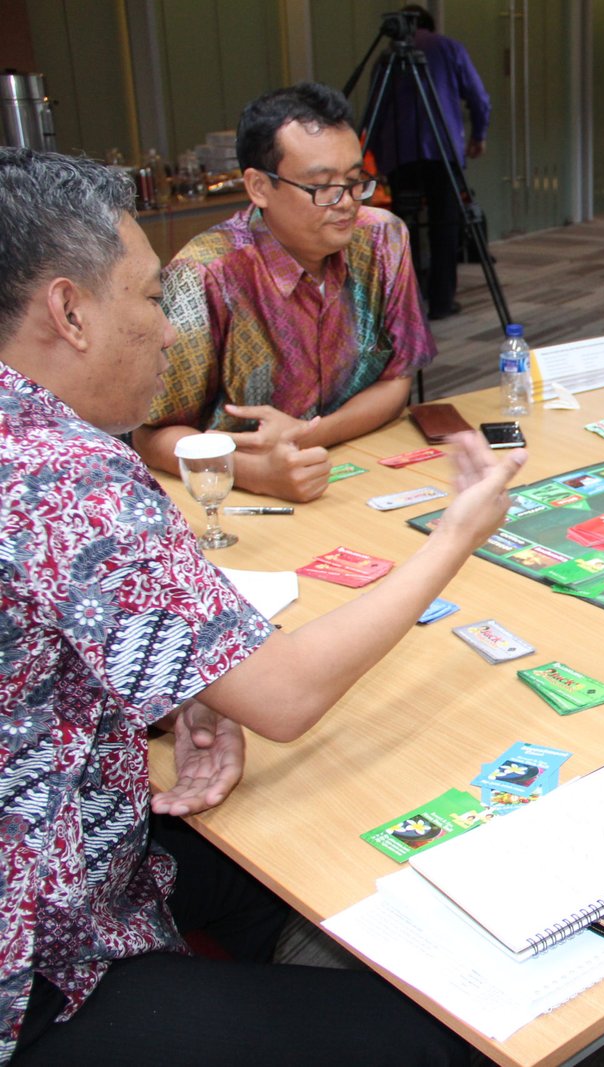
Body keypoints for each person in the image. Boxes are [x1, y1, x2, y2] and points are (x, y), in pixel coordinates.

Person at [0, 147, 527, 1065]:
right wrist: (454, 535)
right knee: (443, 1034)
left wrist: (180, 691)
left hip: (82, 853)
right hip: (40, 962)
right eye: (149, 298)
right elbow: (282, 695)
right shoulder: (67, 473)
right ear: (69, 311)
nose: (170, 336)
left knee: (277, 881)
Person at [133, 83, 433, 503]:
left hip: (351, 469)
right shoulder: (205, 275)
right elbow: (149, 435)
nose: (346, 203)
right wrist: (256, 473)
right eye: (322, 187)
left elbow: (397, 382)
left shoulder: (383, 238)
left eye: (354, 181)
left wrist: (307, 435)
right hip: (238, 495)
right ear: (259, 187)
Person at [364, 4, 491, 322]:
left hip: (399, 151)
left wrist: (373, 154)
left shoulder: (387, 57)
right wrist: (479, 135)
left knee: (403, 227)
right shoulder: (448, 48)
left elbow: (374, 109)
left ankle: (407, 302)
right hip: (442, 149)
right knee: (445, 224)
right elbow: (479, 97)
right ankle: (442, 300)